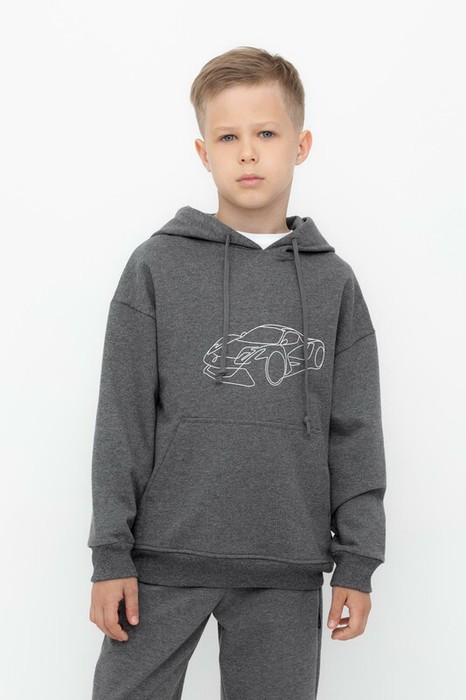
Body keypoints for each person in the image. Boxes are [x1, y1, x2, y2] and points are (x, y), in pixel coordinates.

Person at [87, 45, 387, 699]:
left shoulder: (333, 284)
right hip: (163, 557)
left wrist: (358, 562)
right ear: (204, 153)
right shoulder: (156, 267)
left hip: (287, 562)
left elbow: (356, 431)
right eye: (228, 137)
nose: (248, 153)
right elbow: (122, 418)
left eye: (266, 134)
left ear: (301, 145)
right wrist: (109, 552)